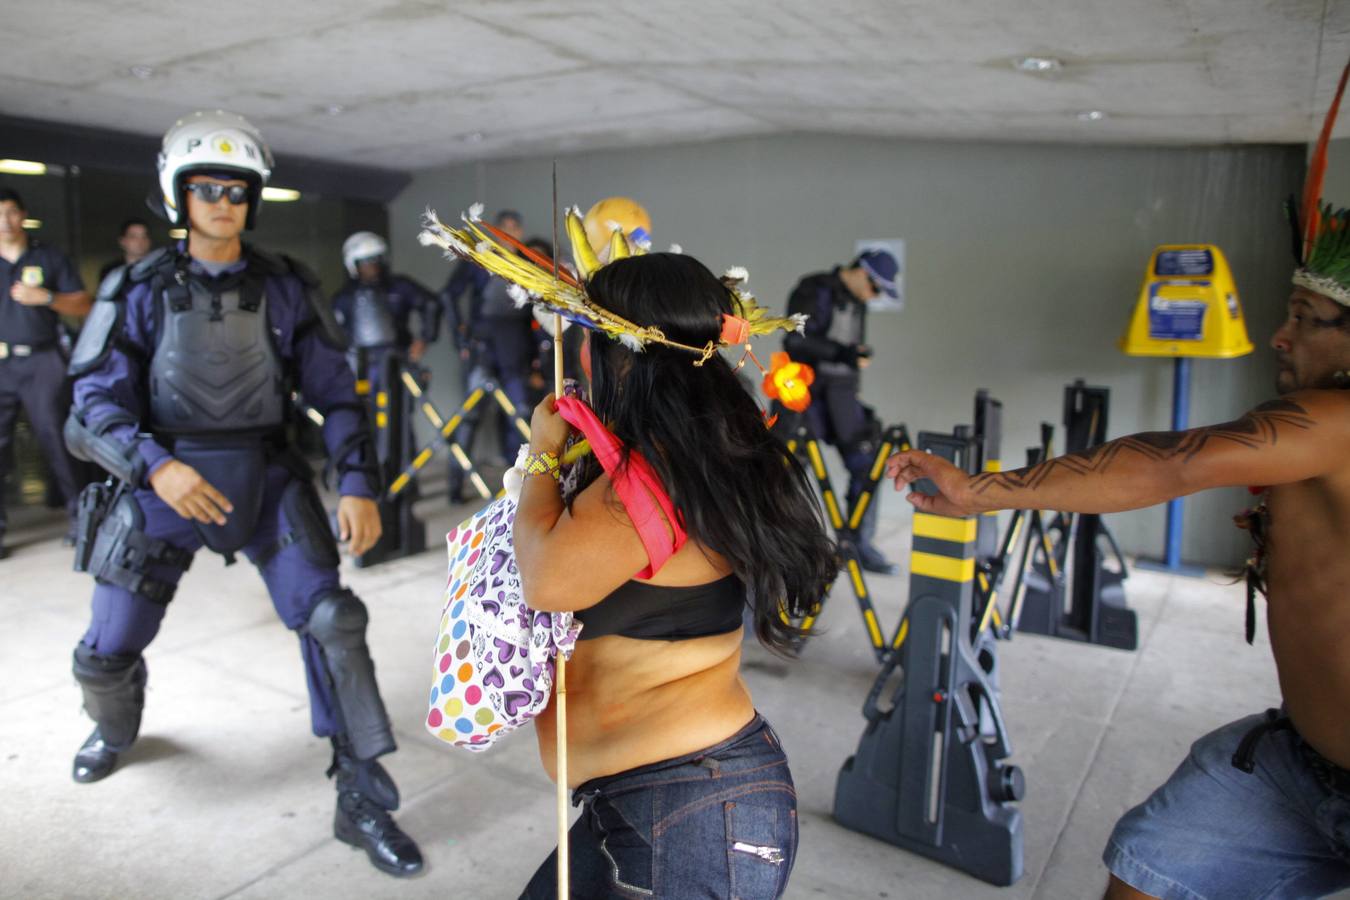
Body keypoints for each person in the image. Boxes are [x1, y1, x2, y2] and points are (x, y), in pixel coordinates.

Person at [884, 136, 1350, 898]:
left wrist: (978, 491)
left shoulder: (1336, 421)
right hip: (1297, 762)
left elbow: (1175, 461)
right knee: (1149, 867)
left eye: (1308, 318)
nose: (1281, 335)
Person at [62, 110, 422, 877]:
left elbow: (339, 394)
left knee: (335, 620)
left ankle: (360, 797)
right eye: (206, 188)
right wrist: (154, 465)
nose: (223, 201)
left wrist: (357, 484)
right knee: (104, 653)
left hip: (267, 479)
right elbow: (90, 405)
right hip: (166, 482)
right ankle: (116, 730)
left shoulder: (288, 287)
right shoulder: (137, 288)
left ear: (252, 199)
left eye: (236, 188)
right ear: (178, 196)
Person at [513, 252, 838, 898]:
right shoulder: (693, 452)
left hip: (688, 809)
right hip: (668, 801)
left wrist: (542, 455)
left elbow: (545, 576)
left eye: (587, 335)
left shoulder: (658, 479)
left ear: (613, 353)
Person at [782, 248, 901, 574]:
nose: (874, 296)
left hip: (842, 396)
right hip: (804, 393)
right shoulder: (813, 288)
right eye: (876, 288)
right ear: (863, 272)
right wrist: (843, 353)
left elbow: (850, 351)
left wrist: (854, 363)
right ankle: (783, 556)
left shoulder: (859, 303)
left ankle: (859, 545)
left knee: (869, 463)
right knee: (785, 474)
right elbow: (794, 340)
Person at [0, 187, 90, 557]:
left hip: (43, 361)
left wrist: (48, 298)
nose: (5, 222)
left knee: (59, 439)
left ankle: (82, 520)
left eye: (10, 213)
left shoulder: (48, 256)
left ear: (23, 215)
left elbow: (84, 304)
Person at [440, 209, 534, 501]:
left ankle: (521, 490)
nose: (509, 233)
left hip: (515, 348)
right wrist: (460, 334)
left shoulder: (527, 262)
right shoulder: (479, 258)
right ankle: (456, 485)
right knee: (470, 414)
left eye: (514, 227)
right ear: (494, 231)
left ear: (519, 232)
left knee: (519, 416)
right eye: (503, 227)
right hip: (481, 347)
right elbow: (448, 294)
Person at [97, 218, 153, 283]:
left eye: (144, 236)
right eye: (133, 237)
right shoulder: (111, 271)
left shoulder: (158, 269)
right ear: (122, 241)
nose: (140, 241)